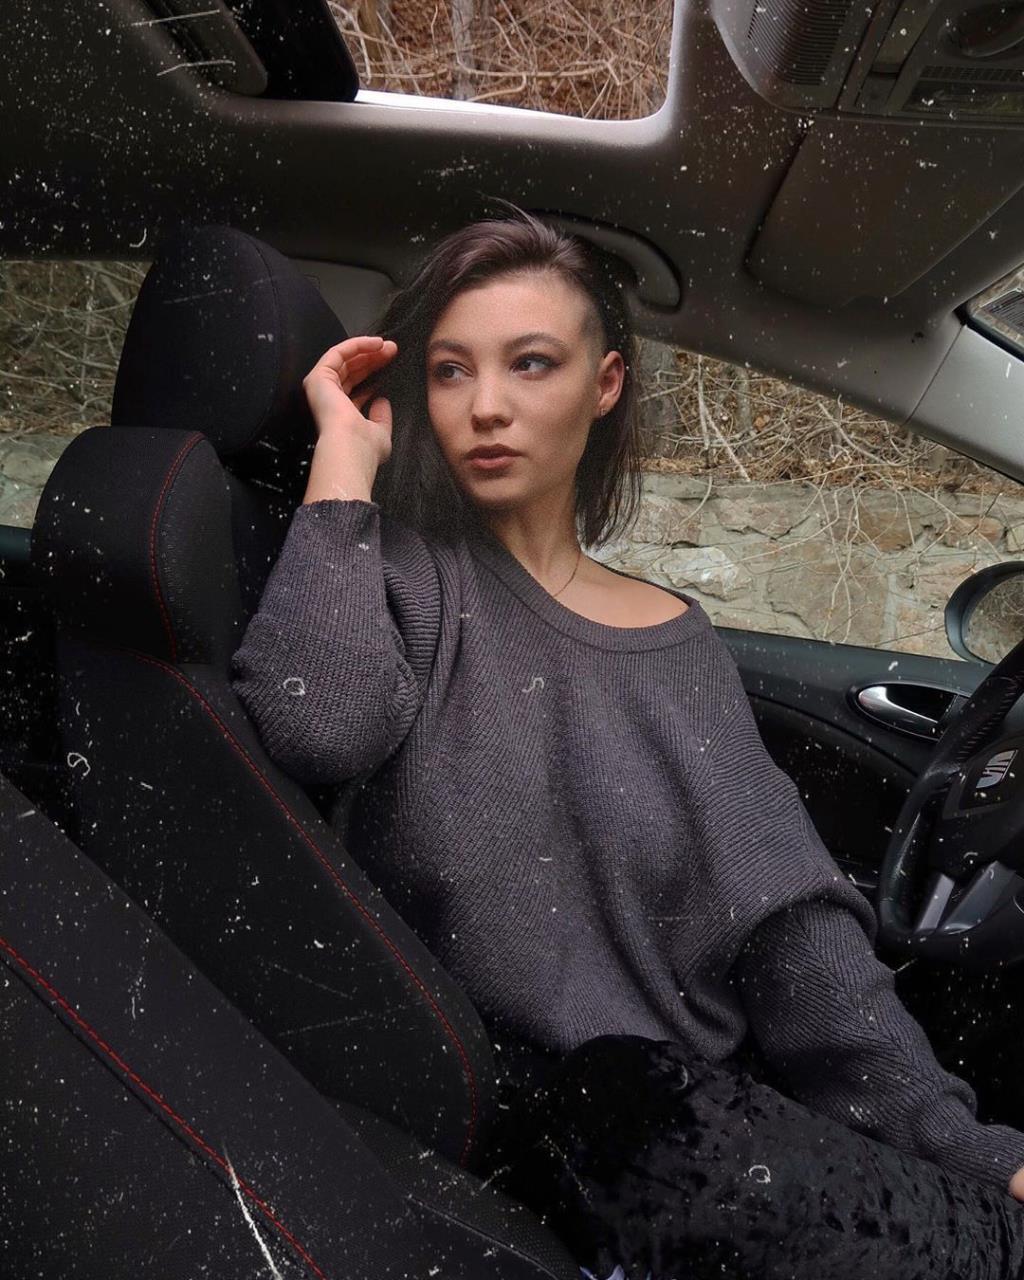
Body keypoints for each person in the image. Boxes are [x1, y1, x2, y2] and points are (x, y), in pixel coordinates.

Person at [230, 203, 1024, 1279]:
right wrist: (343, 457)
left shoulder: (678, 641)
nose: (488, 406)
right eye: (450, 371)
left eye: (531, 363)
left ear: (604, 384)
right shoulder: (394, 581)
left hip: (718, 1137)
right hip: (557, 1156)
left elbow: (792, 938)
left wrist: (972, 1153)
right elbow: (317, 724)